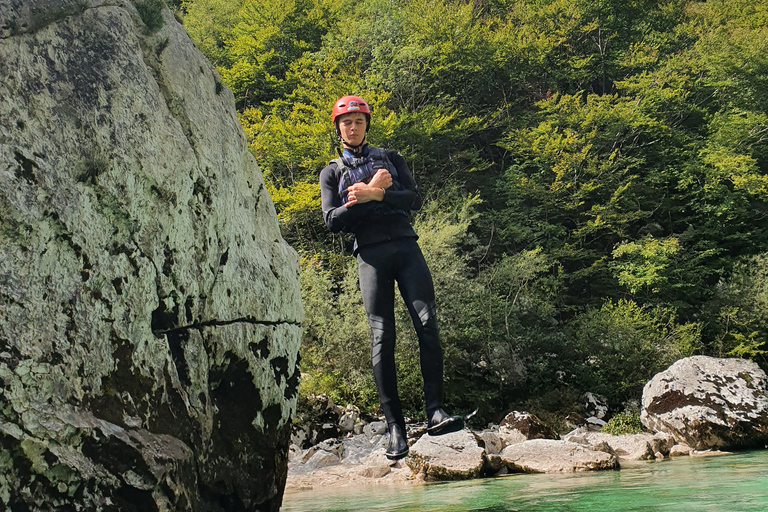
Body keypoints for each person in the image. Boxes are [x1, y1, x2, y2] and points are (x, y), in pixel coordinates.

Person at [319, 95, 464, 460]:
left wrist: (378, 192)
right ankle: (395, 429)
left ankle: (435, 411)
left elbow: (413, 199)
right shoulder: (332, 171)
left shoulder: (392, 158)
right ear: (338, 128)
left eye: (358, 121)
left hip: (405, 247)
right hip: (370, 255)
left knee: (428, 323)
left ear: (367, 124)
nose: (352, 127)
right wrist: (362, 198)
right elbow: (330, 221)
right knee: (383, 336)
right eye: (346, 123)